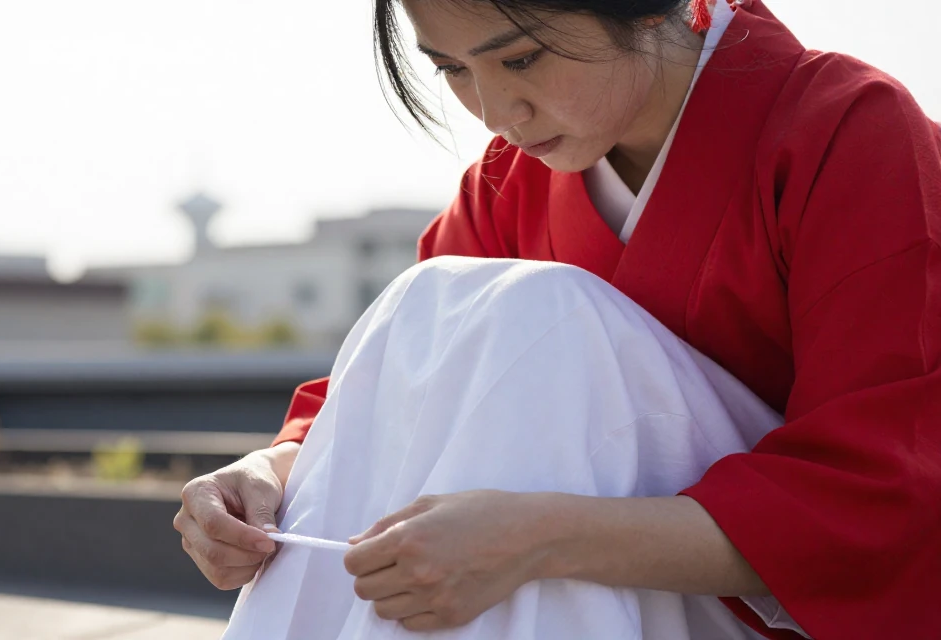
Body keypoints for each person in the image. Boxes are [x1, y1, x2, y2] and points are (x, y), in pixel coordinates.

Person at [173, 0, 941, 638]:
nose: (494, 112)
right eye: (451, 69)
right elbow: (399, 376)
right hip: (573, 579)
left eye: (521, 58)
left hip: (776, 600)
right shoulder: (507, 184)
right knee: (431, 299)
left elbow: (882, 486)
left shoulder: (850, 130)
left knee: (537, 311)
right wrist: (267, 473)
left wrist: (540, 538)